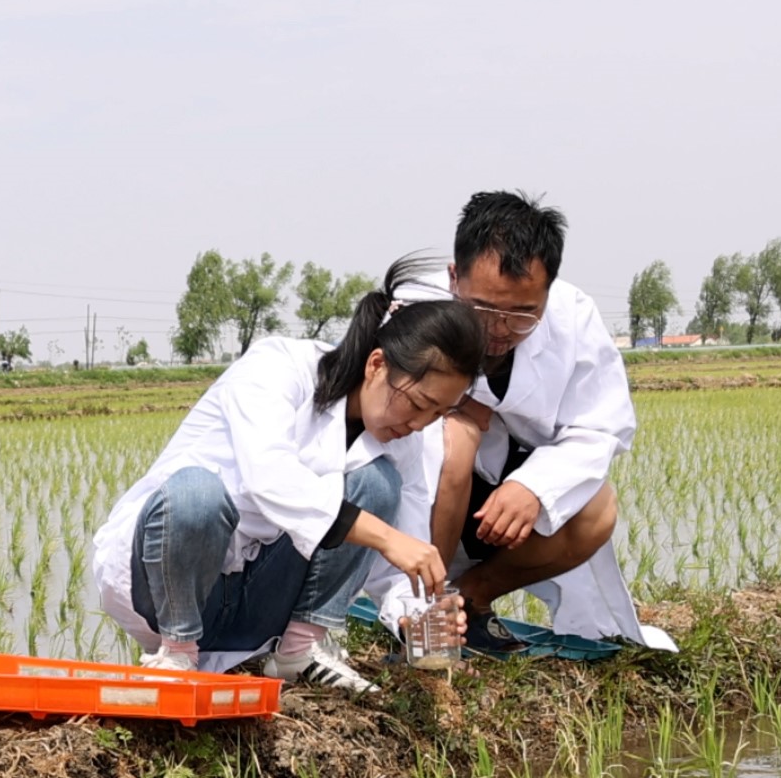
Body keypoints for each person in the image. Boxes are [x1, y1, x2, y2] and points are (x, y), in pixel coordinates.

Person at [88, 258, 487, 690]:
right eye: (418, 403)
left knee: (379, 484)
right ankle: (177, 652)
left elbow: (401, 554)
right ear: (377, 364)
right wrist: (387, 537)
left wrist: (414, 615)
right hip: (166, 592)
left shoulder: (404, 439)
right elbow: (269, 478)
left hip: (259, 603)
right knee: (196, 494)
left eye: (437, 414)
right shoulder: (278, 368)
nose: (419, 424)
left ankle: (298, 650)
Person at [367, 191, 675, 653]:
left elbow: (600, 427)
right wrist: (461, 416)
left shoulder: (573, 319)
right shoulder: (414, 310)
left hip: (510, 490)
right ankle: (425, 611)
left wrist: (534, 486)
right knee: (456, 439)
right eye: (482, 309)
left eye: (522, 315)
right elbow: (378, 409)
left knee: (597, 510)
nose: (498, 329)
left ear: (549, 292)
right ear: (454, 278)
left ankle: (469, 601)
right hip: (425, 489)